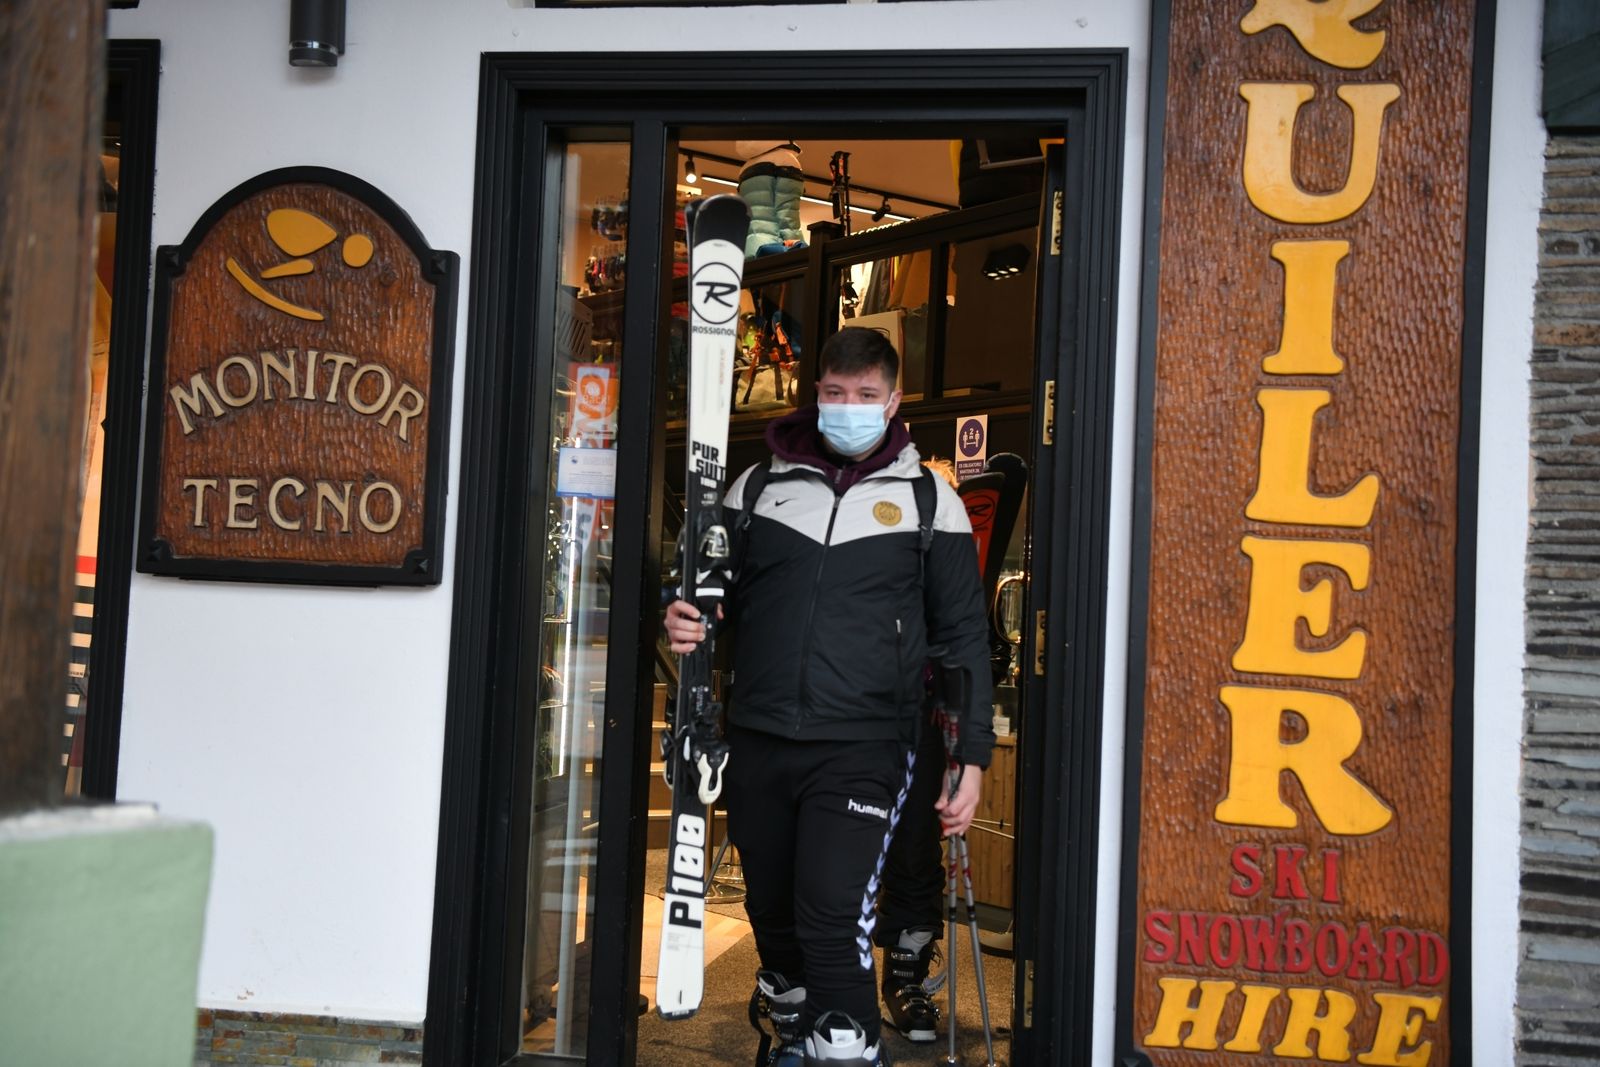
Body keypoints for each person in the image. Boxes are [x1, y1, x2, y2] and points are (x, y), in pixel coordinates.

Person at [664, 327, 994, 1067]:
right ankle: (789, 1024)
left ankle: (845, 1046)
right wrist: (685, 613)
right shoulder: (756, 488)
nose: (849, 407)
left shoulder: (926, 499)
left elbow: (965, 640)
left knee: (831, 915)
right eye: (836, 394)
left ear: (894, 401)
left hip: (865, 744)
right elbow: (709, 595)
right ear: (817, 395)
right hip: (759, 735)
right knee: (772, 917)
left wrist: (970, 758)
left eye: (866, 396)